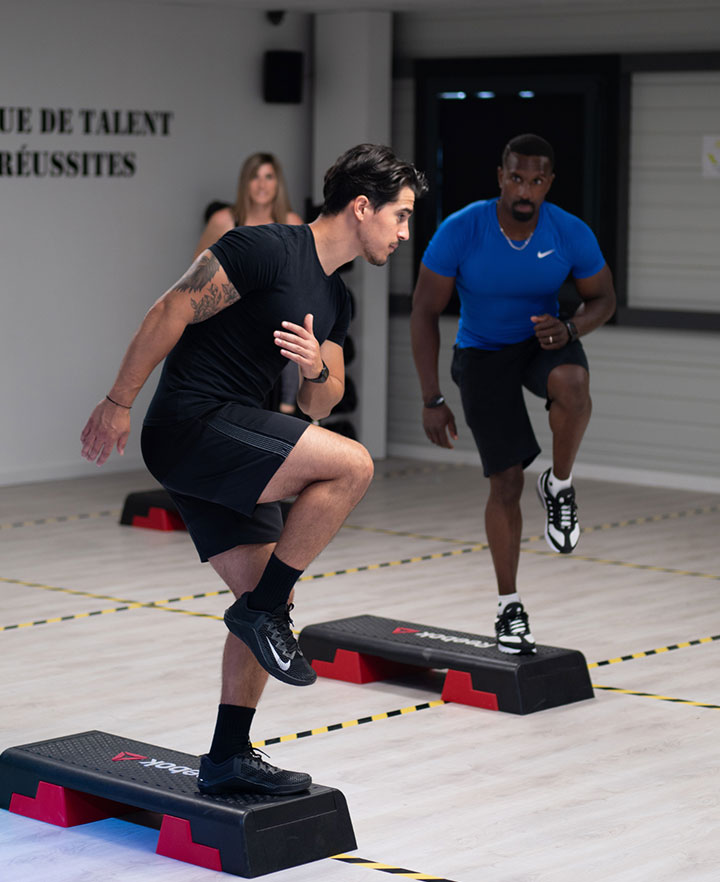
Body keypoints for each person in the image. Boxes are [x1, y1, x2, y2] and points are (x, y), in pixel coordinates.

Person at [81, 143, 427, 796]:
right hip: (193, 423)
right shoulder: (264, 248)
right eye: (402, 216)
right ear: (362, 207)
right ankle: (263, 615)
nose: (405, 233)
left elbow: (326, 399)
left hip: (237, 438)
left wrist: (314, 368)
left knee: (267, 590)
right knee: (352, 467)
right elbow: (171, 309)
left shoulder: (335, 300)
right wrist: (119, 401)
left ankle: (227, 756)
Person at [410, 133, 615, 656]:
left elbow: (604, 298)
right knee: (504, 482)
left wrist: (570, 330)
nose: (526, 189)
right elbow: (424, 311)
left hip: (541, 340)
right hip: (481, 354)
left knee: (573, 383)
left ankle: (560, 485)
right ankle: (509, 606)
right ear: (501, 176)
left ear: (549, 183)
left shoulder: (569, 232)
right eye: (517, 178)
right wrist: (432, 397)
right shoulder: (461, 230)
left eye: (537, 180)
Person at [193, 151, 304, 414]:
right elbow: (196, 277)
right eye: (255, 177)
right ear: (245, 182)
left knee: (275, 415)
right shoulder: (223, 221)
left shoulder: (292, 223)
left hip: (274, 330)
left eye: (269, 177)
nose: (262, 184)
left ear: (278, 183)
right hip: (231, 330)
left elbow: (300, 282)